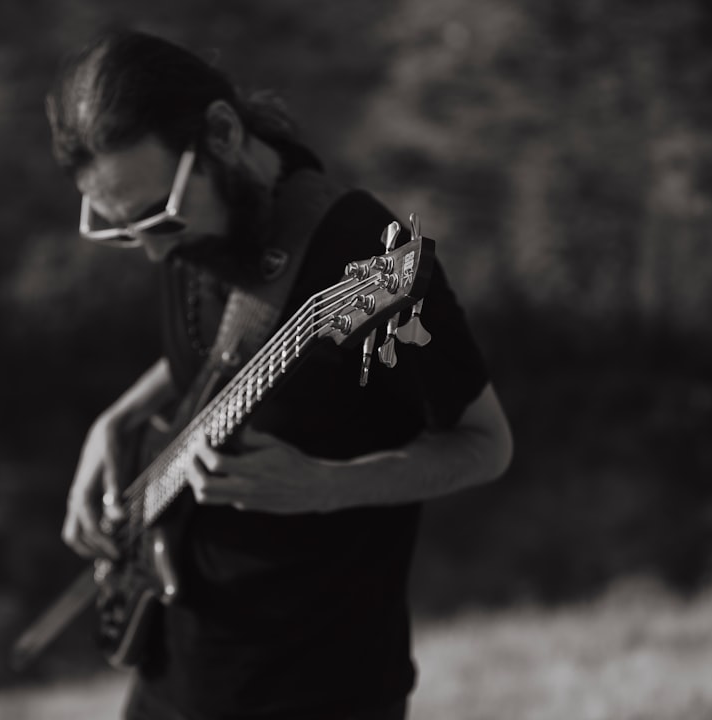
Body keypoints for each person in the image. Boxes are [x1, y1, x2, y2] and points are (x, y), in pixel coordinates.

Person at [45, 28, 513, 720]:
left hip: (322, 686)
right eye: (120, 230)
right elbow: (218, 356)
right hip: (176, 671)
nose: (149, 253)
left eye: (156, 219)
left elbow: (485, 444)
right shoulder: (195, 229)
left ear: (223, 134)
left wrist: (323, 486)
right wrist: (114, 420)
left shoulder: (364, 259)